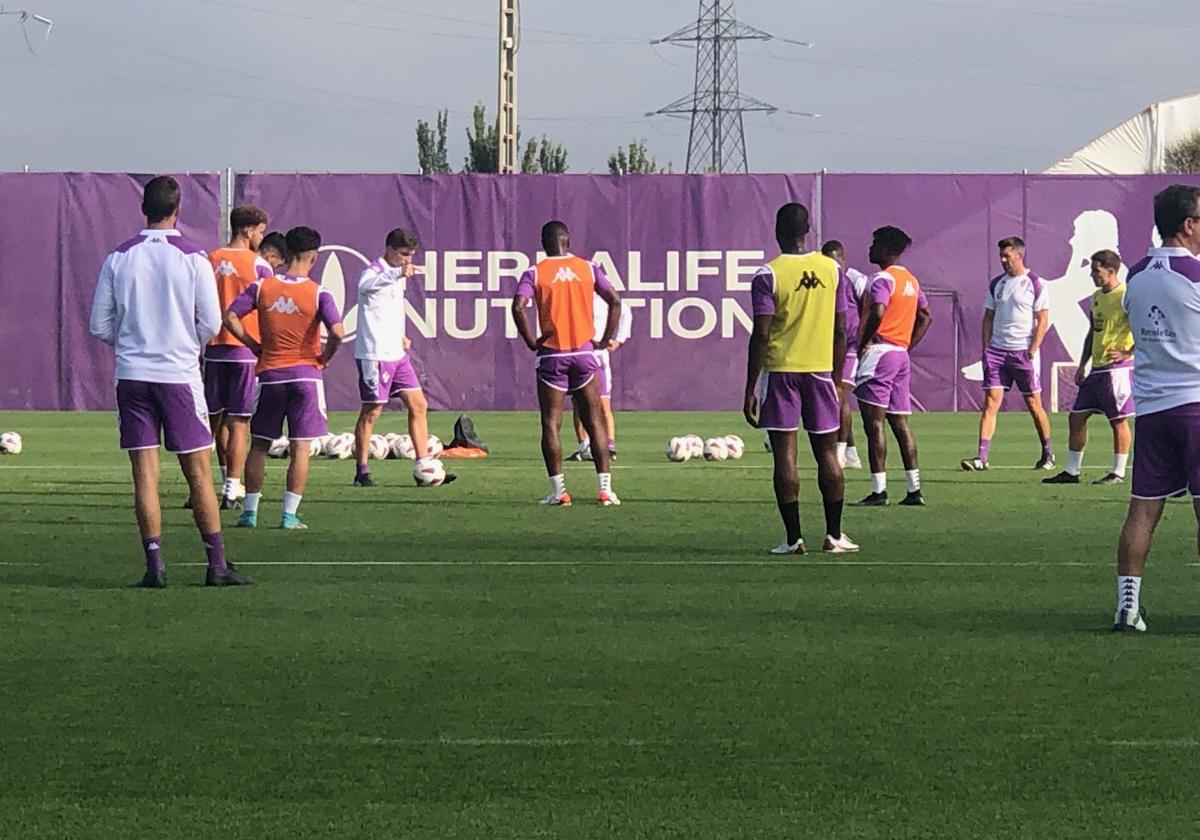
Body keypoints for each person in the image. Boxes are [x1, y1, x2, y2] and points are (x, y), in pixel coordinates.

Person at [87, 175, 249, 587]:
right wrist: (181, 344)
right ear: (178, 210)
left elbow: (99, 325)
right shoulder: (193, 257)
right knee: (198, 472)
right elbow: (211, 322)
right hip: (177, 375)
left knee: (145, 476)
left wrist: (132, 344)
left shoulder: (118, 257)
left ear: (144, 208)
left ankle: (155, 566)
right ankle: (215, 565)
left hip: (133, 376)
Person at [743, 203, 857, 555]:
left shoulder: (768, 275)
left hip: (781, 373)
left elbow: (761, 334)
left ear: (777, 230)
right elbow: (841, 328)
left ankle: (793, 539)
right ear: (808, 230)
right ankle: (835, 535)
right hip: (821, 371)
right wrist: (837, 379)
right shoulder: (833, 270)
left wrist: (750, 387)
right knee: (827, 455)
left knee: (785, 459)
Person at [1111, 184, 1200, 632]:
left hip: (1151, 407)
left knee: (1143, 509)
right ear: (1188, 225)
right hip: (1196, 404)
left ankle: (1127, 607)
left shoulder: (1136, 274)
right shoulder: (1196, 275)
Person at [224, 226, 344, 530]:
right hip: (306, 377)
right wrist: (323, 358)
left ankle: (250, 512)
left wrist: (253, 345)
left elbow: (229, 316)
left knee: (260, 444)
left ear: (286, 253)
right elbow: (338, 333)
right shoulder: (318, 292)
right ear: (314, 257)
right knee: (300, 446)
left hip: (271, 375)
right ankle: (288, 515)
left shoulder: (262, 287)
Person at [511, 221, 622, 507]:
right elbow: (615, 300)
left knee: (551, 423)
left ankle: (559, 492)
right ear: (568, 241)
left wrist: (531, 340)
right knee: (594, 420)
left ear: (543, 244)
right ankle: (605, 490)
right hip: (585, 354)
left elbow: (517, 307)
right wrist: (604, 339)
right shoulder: (588, 268)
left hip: (552, 355)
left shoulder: (535, 272)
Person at [351, 228, 454, 487]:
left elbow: (393, 309)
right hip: (375, 354)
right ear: (389, 249)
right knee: (372, 411)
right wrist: (396, 272)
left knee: (418, 405)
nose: (408, 260)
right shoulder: (375, 271)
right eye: (403, 254)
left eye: (410, 256)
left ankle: (424, 465)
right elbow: (365, 287)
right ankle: (362, 471)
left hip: (397, 354)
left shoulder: (400, 275)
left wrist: (401, 334)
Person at [853, 227, 932, 507]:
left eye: (875, 244)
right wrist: (906, 345)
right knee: (900, 423)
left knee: (874, 424)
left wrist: (863, 341)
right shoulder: (910, 280)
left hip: (880, 352)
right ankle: (914, 490)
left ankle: (879, 491)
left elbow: (877, 310)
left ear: (886, 249)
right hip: (900, 354)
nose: (870, 249)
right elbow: (926, 316)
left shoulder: (882, 279)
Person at [962, 237, 1055, 471]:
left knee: (1033, 404)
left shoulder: (1035, 283)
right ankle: (981, 457)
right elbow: (988, 317)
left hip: (1022, 352)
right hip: (997, 352)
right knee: (991, 403)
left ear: (1019, 256)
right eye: (1001, 256)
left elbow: (1042, 319)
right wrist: (986, 348)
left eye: (1007, 256)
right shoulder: (997, 284)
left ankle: (1048, 454)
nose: (1003, 260)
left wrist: (1032, 350)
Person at [1042, 249, 1134, 486]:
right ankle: (1072, 471)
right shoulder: (1097, 296)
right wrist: (1083, 364)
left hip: (1117, 370)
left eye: (1096, 270)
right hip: (1097, 369)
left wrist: (1127, 352)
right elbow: (1092, 333)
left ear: (1111, 271)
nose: (1093, 275)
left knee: (1118, 420)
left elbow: (1145, 328)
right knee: (1077, 417)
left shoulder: (1126, 296)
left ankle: (1118, 472)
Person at [204, 204, 272, 510]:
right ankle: (232, 485)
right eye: (260, 231)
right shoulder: (259, 266)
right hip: (245, 350)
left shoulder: (211, 259)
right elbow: (269, 309)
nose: (262, 236)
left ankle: (216, 482)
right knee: (239, 422)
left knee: (215, 422)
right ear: (247, 229)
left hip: (214, 350)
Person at [568, 288, 633, 462]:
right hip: (578, 354)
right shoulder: (575, 295)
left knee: (603, 403)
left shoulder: (604, 298)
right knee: (578, 403)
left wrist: (619, 339)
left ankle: (609, 446)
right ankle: (584, 446)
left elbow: (624, 311)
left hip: (598, 356)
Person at [821, 239, 869, 470]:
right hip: (829, 346)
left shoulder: (855, 278)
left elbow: (871, 307)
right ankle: (851, 453)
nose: (831, 266)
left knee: (839, 395)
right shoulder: (823, 279)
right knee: (837, 397)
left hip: (850, 344)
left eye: (834, 261)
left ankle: (839, 452)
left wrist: (866, 338)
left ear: (842, 258)